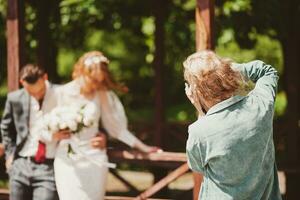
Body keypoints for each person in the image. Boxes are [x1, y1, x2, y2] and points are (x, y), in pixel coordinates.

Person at [51, 51, 159, 200]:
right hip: (67, 160)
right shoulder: (60, 93)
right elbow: (44, 124)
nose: (96, 85)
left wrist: (143, 147)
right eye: (93, 80)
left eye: (99, 81)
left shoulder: (101, 94)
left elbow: (117, 129)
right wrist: (54, 135)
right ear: (82, 71)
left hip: (94, 157)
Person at [183, 50, 282, 200]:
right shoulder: (260, 107)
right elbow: (267, 71)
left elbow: (197, 166)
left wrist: (201, 112)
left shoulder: (199, 131)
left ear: (195, 91)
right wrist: (224, 72)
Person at [0, 64, 106, 200]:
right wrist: (10, 155)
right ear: (22, 83)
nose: (37, 96)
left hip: (49, 165)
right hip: (21, 163)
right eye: (32, 93)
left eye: (40, 91)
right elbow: (6, 128)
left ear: (45, 78)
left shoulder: (63, 93)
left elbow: (87, 115)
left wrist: (103, 135)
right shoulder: (15, 98)